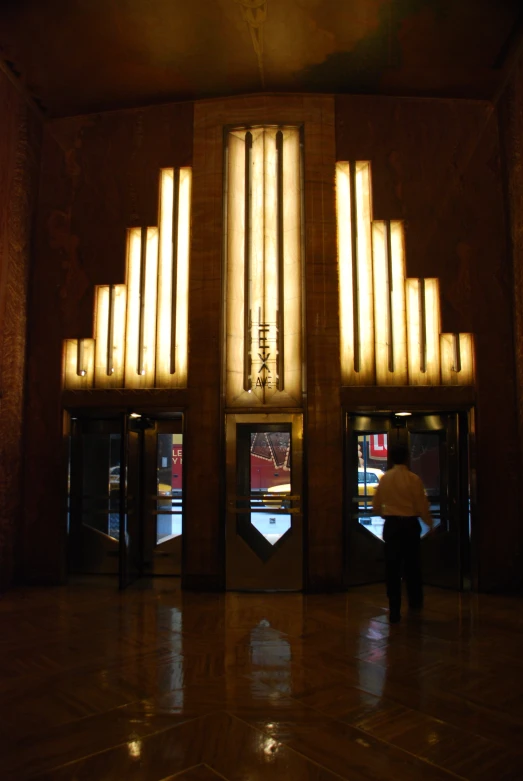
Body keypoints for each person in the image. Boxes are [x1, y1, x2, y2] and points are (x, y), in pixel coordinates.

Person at [372, 443, 433, 623]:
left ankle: (394, 608)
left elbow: (376, 506)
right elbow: (422, 505)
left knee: (392, 567)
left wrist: (387, 513)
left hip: (391, 527)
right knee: (412, 566)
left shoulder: (385, 479)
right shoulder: (414, 479)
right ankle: (414, 603)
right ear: (407, 458)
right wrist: (430, 524)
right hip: (410, 526)